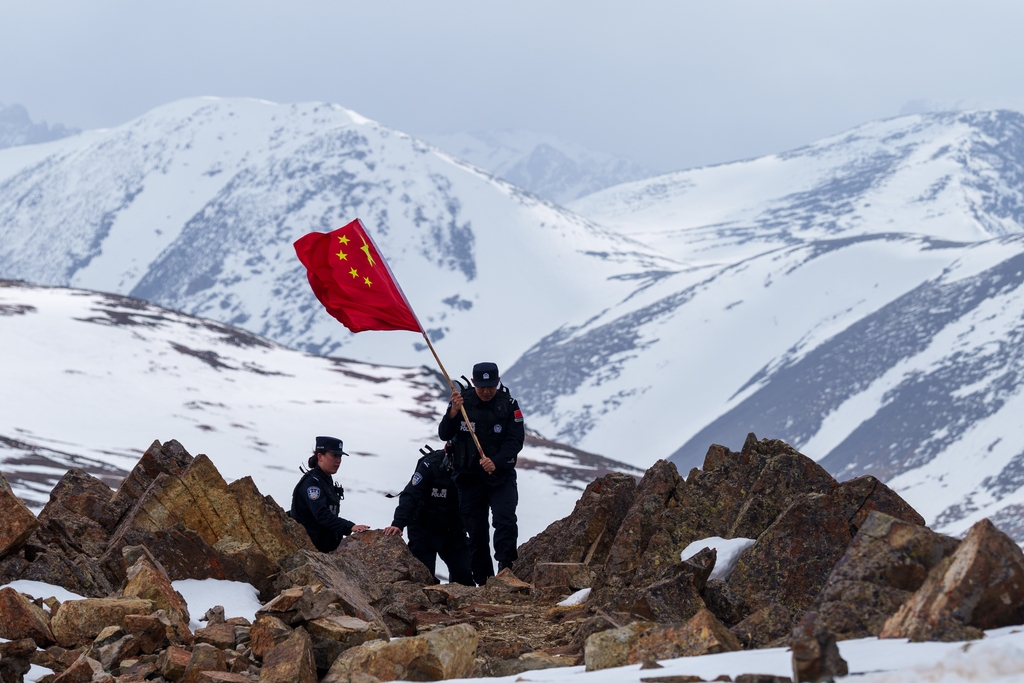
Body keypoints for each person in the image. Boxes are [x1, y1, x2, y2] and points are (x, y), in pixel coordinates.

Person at [438, 362, 525, 584]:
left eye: (491, 386)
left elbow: (515, 440)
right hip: (468, 478)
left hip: (500, 477)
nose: (486, 391)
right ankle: (484, 580)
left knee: (505, 520)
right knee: (475, 531)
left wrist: (496, 462)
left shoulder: (508, 405)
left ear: (497, 382)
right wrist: (453, 412)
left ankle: (506, 570)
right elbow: (444, 434)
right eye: (482, 386)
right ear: (474, 383)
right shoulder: (462, 402)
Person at [383, 444, 474, 586]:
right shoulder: (430, 465)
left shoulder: (471, 466)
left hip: (453, 531)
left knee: (465, 577)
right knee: (424, 579)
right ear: (447, 450)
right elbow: (411, 495)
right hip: (423, 528)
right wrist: (398, 523)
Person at [289, 436, 369, 552]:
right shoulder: (312, 483)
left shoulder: (325, 480)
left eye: (340, 456)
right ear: (320, 456)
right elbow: (321, 514)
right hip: (310, 548)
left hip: (324, 547)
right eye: (334, 455)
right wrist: (350, 526)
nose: (338, 460)